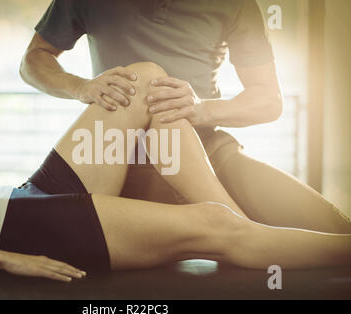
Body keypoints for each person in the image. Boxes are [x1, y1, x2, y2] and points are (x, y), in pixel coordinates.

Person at [0, 62, 351, 283]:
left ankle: (243, 229)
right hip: (8, 232)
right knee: (214, 226)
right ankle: (238, 232)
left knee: (146, 79)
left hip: (17, 198)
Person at [19, 0, 348, 231]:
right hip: (115, 154)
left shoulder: (237, 3)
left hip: (208, 153)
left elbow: (268, 99)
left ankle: (244, 231)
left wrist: (201, 108)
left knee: (333, 229)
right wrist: (81, 87)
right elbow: (34, 59)